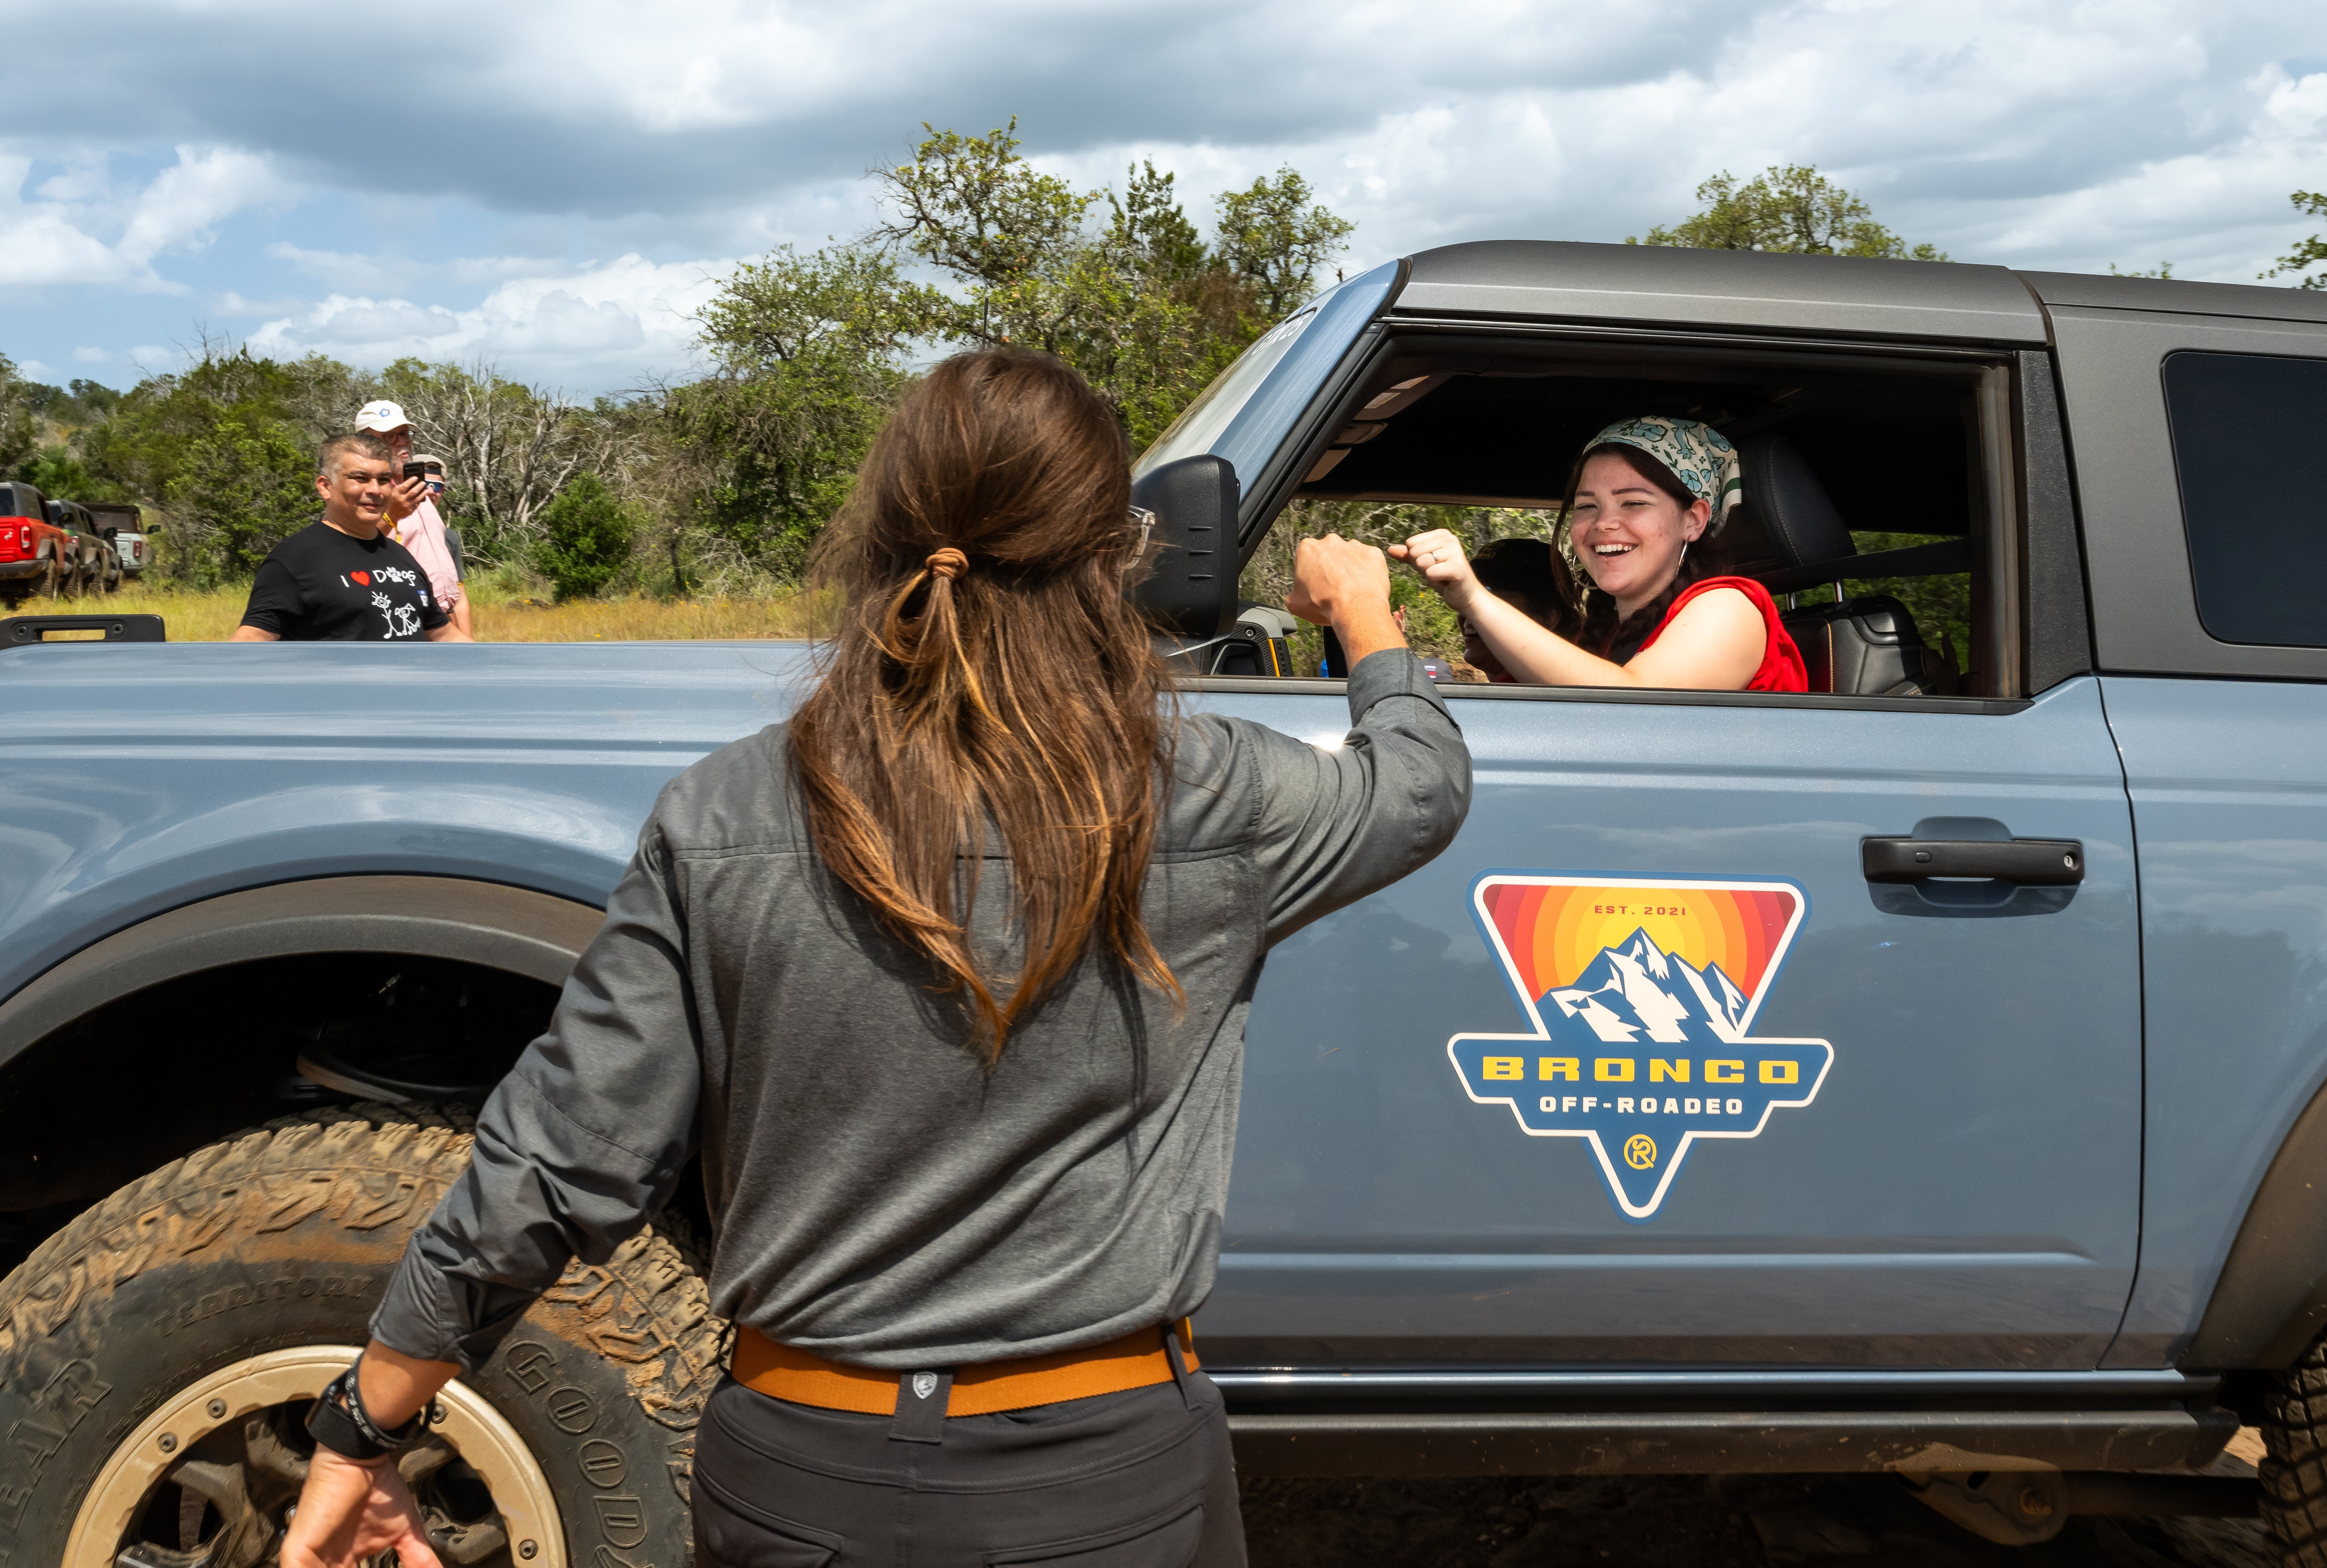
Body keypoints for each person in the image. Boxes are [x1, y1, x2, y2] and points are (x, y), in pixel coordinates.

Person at [276, 349, 1470, 1568]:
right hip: (1110, 1483)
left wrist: (362, 1418)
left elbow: (560, 1158)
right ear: (1116, 552)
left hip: (803, 1476)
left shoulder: (726, 811)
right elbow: (1420, 788)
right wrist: (1368, 622)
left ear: (886, 531)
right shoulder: (1216, 797)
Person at [1394, 416, 1807, 691]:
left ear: (1693, 520)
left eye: (1633, 503)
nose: (1603, 524)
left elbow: (1632, 709)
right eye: (1587, 505)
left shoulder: (1729, 607)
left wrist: (1476, 599)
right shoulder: (1608, 629)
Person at [231, 435, 470, 642]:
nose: (375, 490)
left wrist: (494, 662)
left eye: (384, 480)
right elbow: (254, 637)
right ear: (325, 487)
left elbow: (442, 635)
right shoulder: (295, 559)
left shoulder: (401, 557)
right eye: (360, 478)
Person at [353, 401, 469, 638]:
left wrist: (468, 640)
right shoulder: (366, 495)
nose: (401, 442)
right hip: (403, 620)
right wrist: (391, 514)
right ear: (364, 446)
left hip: (443, 621)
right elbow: (354, 550)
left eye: (405, 433)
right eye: (389, 436)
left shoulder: (421, 492)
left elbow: (454, 584)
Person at [1458, 537, 1580, 683]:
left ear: (1549, 619)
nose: (1469, 610)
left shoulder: (1546, 697)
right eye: (1464, 597)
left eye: (1490, 599)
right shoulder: (1513, 696)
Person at [403, 452, 472, 638]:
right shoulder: (395, 526)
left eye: (438, 487)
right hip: (412, 623)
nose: (432, 492)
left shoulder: (450, 537)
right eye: (426, 485)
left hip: (447, 626)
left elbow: (460, 597)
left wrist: (471, 643)